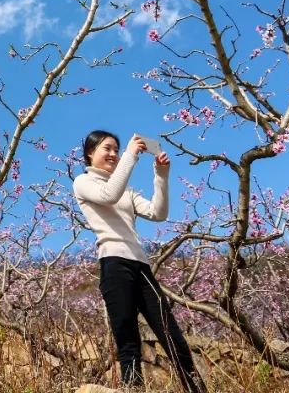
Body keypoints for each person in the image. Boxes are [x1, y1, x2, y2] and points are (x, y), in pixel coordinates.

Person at [73, 129, 207, 393]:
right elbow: (108, 195)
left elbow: (158, 213)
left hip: (141, 266)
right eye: (107, 148)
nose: (113, 154)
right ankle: (134, 389)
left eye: (116, 149)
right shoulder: (83, 182)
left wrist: (161, 175)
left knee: (171, 335)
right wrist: (130, 157)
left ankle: (196, 390)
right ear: (90, 153)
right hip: (114, 264)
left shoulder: (126, 190)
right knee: (128, 340)